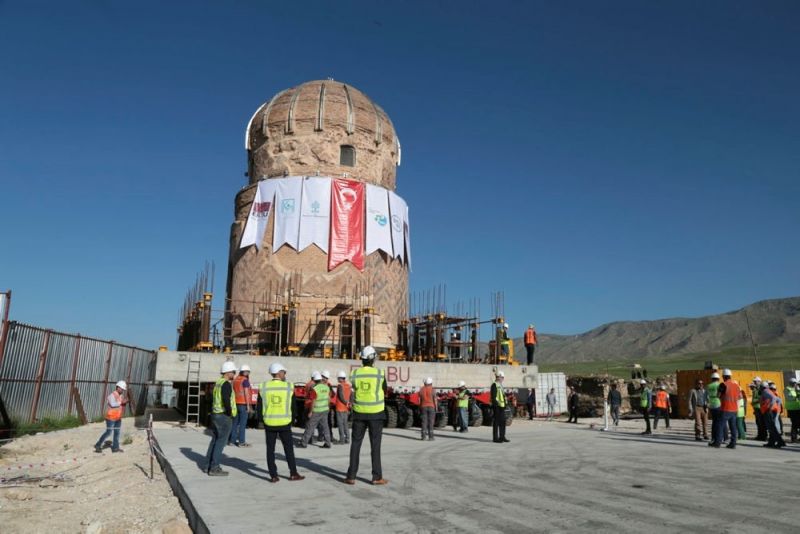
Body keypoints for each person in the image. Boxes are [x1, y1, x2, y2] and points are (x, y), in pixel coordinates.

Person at [344, 346, 388, 485]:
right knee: (375, 446)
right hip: (376, 414)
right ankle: (376, 477)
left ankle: (351, 476)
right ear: (373, 358)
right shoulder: (380, 373)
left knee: (355, 444)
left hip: (359, 413)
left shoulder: (355, 374)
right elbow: (385, 389)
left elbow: (355, 388)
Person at [258, 362, 304, 482]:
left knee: (270, 450)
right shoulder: (288, 386)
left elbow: (259, 407)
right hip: (284, 423)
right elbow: (294, 407)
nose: (285, 374)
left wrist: (262, 420)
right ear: (279, 373)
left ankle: (273, 476)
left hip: (269, 423)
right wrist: (293, 419)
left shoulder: (263, 387)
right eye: (284, 372)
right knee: (288, 449)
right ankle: (293, 473)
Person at [204, 361, 237, 476]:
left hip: (215, 414)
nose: (234, 373)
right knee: (220, 442)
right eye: (233, 371)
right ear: (228, 372)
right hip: (223, 416)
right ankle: (214, 467)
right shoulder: (226, 384)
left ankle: (207, 465)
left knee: (214, 440)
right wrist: (229, 413)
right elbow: (226, 400)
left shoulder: (218, 382)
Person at [298, 372, 332, 448]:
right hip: (325, 410)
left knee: (310, 426)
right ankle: (328, 443)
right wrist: (328, 407)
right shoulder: (326, 387)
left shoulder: (315, 389)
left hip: (317, 410)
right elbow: (329, 398)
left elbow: (313, 401)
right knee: (325, 427)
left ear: (315, 381)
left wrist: (310, 412)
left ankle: (304, 443)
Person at [94, 380, 128, 453]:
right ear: (118, 387)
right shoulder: (112, 395)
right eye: (122, 389)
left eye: (123, 389)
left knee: (117, 433)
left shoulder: (121, 396)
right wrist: (121, 402)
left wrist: (124, 403)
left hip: (118, 418)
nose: (122, 391)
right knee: (108, 432)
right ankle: (98, 445)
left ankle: (115, 448)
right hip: (111, 418)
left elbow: (120, 405)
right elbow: (113, 404)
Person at [715, 369, 740, 449]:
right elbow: (739, 397)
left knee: (720, 425)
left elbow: (718, 395)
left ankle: (717, 442)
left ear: (724, 377)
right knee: (733, 427)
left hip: (726, 409)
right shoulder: (736, 385)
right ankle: (733, 443)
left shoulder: (723, 385)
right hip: (734, 409)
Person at [229, 364, 252, 447]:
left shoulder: (235, 380)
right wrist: (248, 406)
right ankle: (241, 442)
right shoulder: (245, 380)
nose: (249, 373)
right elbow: (246, 392)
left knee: (234, 423)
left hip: (236, 403)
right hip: (243, 404)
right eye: (248, 372)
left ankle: (232, 441)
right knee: (242, 424)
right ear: (245, 372)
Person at [761, 381, 786, 448]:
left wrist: (770, 407)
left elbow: (774, 398)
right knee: (771, 428)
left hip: (768, 411)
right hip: (770, 411)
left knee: (772, 428)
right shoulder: (769, 391)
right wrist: (776, 408)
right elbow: (778, 400)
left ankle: (780, 442)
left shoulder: (766, 391)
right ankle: (771, 442)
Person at [333, 370, 351, 445]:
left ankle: (342, 440)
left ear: (341, 378)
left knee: (340, 424)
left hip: (340, 407)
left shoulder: (340, 386)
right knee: (345, 424)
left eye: (338, 378)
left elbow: (340, 396)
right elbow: (352, 395)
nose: (337, 379)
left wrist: (345, 402)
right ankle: (347, 438)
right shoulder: (348, 385)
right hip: (346, 408)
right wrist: (349, 403)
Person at [491, 371, 509, 443]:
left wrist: (505, 404)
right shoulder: (494, 385)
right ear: (499, 377)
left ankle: (502, 437)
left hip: (502, 406)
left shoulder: (500, 385)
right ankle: (495, 438)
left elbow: (502, 396)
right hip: (497, 407)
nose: (503, 379)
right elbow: (494, 397)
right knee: (496, 422)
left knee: (503, 422)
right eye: (502, 377)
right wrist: (497, 405)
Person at [707, 372, 722, 447]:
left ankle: (713, 438)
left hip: (711, 405)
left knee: (714, 422)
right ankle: (719, 438)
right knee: (719, 423)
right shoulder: (719, 385)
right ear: (718, 378)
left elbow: (706, 396)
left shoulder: (709, 386)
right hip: (718, 403)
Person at [784, 377, 799, 443]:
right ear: (792, 383)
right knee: (794, 424)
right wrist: (798, 394)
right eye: (794, 383)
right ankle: (794, 438)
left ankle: (795, 437)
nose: (795, 384)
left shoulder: (795, 389)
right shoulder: (787, 389)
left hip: (797, 408)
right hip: (792, 409)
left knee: (797, 424)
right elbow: (790, 398)